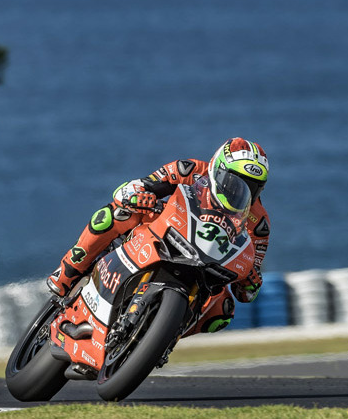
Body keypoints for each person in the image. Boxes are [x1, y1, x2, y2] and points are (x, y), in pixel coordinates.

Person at [47, 137, 271, 334]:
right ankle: (68, 272)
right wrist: (139, 197)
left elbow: (248, 283)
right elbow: (134, 188)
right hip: (164, 231)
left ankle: (162, 337)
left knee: (222, 312)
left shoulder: (259, 223)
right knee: (118, 214)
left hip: (206, 266)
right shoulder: (189, 170)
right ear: (217, 170)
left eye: (253, 187)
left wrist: (251, 282)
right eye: (235, 181)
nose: (242, 191)